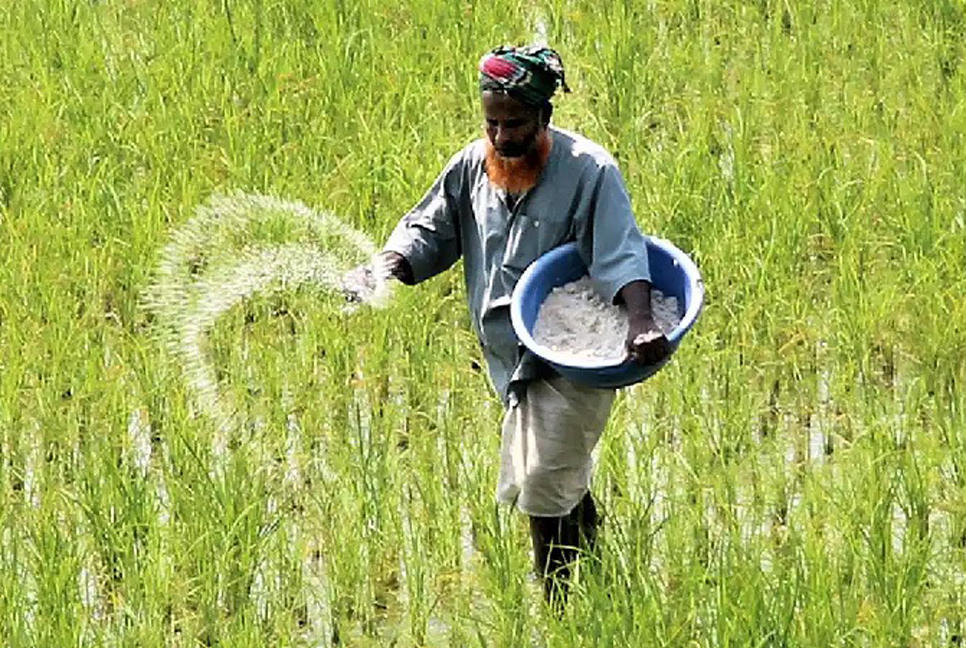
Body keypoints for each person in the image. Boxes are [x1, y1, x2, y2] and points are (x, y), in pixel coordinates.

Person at [375, 45, 670, 604]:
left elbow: (622, 254)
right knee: (556, 471)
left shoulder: (590, 172)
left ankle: (553, 607)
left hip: (573, 359)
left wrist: (640, 322)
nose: (502, 137)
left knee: (539, 484)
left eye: (515, 124)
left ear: (545, 118)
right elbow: (430, 230)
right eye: (492, 122)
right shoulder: (472, 165)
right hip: (508, 357)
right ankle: (596, 566)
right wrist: (387, 266)